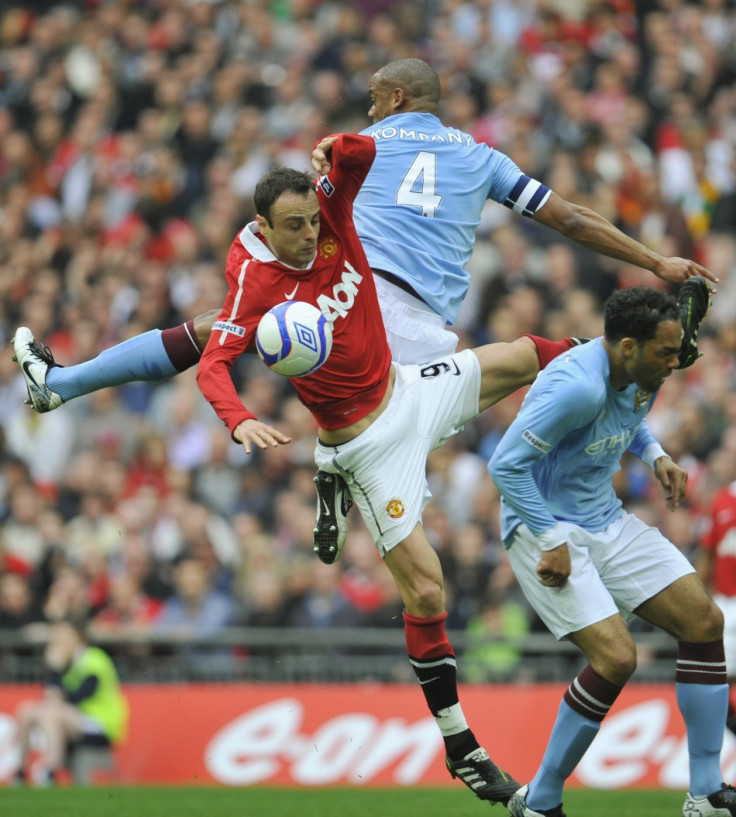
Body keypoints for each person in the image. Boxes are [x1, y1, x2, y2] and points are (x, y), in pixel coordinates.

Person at [194, 129, 583, 804]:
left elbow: (361, 158)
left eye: (312, 220)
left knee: (532, 354)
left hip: (409, 388)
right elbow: (212, 365)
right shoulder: (252, 282)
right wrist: (240, 419)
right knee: (429, 594)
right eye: (292, 227)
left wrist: (332, 147)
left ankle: (634, 353)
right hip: (368, 446)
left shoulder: (330, 217)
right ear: (262, 226)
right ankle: (460, 744)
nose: (308, 233)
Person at [13, 57, 715, 411]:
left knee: (220, 324)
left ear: (398, 99)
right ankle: (63, 382)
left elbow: (316, 194)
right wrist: (655, 257)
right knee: (520, 368)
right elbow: (571, 217)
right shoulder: (482, 156)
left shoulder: (363, 141)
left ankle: (64, 384)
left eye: (377, 95)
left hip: (350, 299)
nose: (370, 104)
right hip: (417, 320)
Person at [487, 286, 734, 817]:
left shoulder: (638, 369)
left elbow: (630, 411)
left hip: (605, 517)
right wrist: (550, 539)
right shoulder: (576, 386)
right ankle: (539, 800)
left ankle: (707, 792)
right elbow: (505, 466)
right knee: (617, 657)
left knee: (704, 622)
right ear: (626, 346)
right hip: (543, 526)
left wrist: (655, 453)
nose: (675, 363)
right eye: (665, 354)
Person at [14, 618, 128, 786]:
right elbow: (50, 694)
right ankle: (21, 772)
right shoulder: (68, 662)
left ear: (77, 637)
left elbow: (82, 694)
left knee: (51, 714)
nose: (57, 639)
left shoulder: (94, 658)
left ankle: (50, 771)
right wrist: (54, 670)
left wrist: (58, 688)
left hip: (100, 722)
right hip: (75, 718)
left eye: (63, 634)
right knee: (26, 710)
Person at [697, 463, 736, 735]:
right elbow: (708, 554)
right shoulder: (721, 500)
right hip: (728, 603)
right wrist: (698, 598)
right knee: (717, 678)